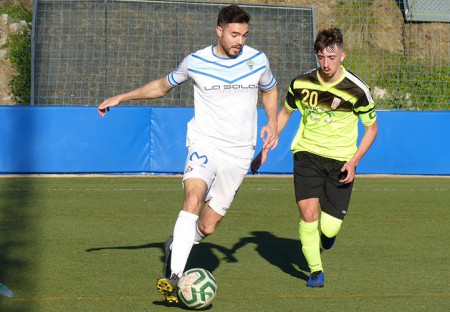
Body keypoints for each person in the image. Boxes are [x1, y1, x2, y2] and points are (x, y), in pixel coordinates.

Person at [98, 5, 278, 303]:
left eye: (244, 35)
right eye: (234, 34)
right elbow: (161, 86)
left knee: (207, 226)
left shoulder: (257, 60)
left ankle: (178, 242)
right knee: (193, 197)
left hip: (239, 152)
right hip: (205, 142)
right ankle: (174, 277)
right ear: (219, 30)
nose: (240, 41)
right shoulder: (195, 62)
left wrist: (272, 122)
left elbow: (269, 90)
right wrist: (122, 97)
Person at [271, 27, 378, 287]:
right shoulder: (301, 83)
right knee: (308, 214)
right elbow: (286, 111)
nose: (326, 63)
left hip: (340, 162)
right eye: (321, 57)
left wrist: (353, 162)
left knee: (329, 229)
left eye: (331, 57)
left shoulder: (357, 89)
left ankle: (328, 236)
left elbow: (372, 128)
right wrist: (272, 133)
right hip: (307, 155)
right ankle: (315, 271)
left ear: (343, 56)